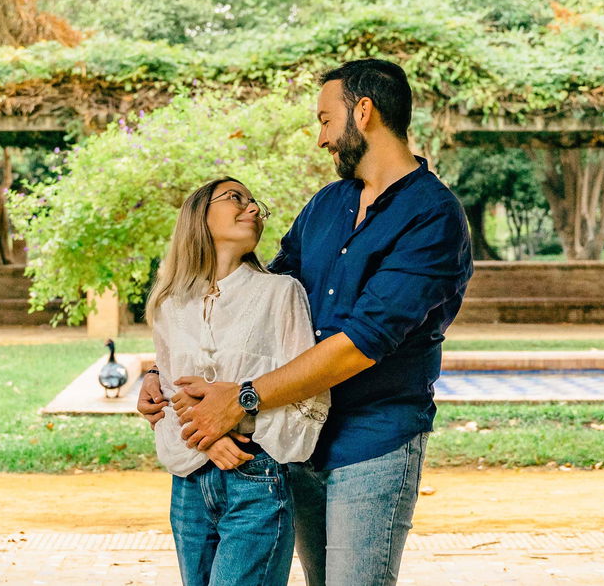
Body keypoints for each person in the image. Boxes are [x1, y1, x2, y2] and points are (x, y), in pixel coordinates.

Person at [139, 59, 474, 586]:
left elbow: (360, 344)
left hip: (373, 440)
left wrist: (243, 398)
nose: (322, 139)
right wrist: (163, 373)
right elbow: (254, 303)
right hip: (295, 441)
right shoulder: (327, 204)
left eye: (325, 120)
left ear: (363, 113)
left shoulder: (433, 215)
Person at [146, 176, 329, 586]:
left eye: (254, 203)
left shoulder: (281, 293)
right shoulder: (169, 303)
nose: (253, 209)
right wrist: (208, 440)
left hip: (256, 477)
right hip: (189, 486)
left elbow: (310, 398)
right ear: (199, 214)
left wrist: (237, 423)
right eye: (235, 198)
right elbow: (172, 396)